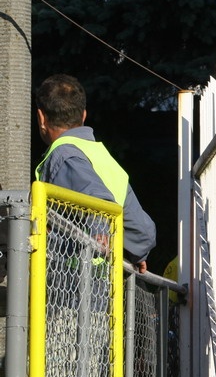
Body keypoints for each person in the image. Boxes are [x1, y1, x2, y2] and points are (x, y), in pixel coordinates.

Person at [35, 74, 157, 272]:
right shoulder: (103, 158)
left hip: (72, 279)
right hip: (105, 285)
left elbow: (98, 199)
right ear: (83, 115)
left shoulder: (63, 155)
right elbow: (143, 231)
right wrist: (136, 254)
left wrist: (100, 235)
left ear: (41, 118)